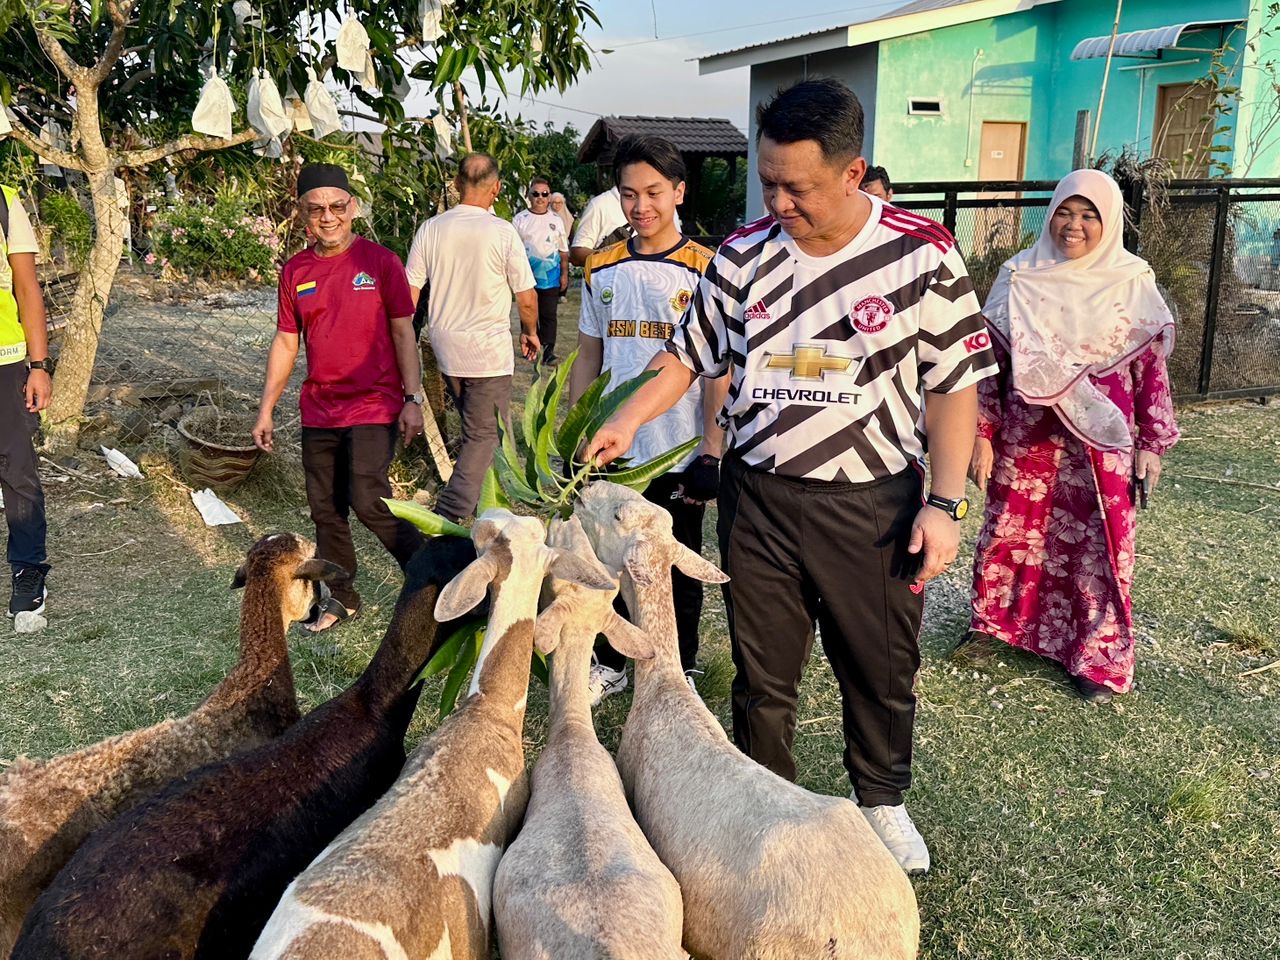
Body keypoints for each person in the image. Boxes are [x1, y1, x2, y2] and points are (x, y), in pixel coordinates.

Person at [584, 78, 997, 876]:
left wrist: (944, 504)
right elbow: (686, 358)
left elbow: (953, 386)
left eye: (797, 187)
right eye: (768, 182)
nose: (778, 201)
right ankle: (764, 801)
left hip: (873, 504)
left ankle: (880, 799)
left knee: (878, 666)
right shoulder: (742, 256)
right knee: (761, 672)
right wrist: (627, 419)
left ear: (852, 172)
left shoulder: (922, 254)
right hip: (760, 499)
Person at [966, 169, 1179, 705]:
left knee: (1099, 546)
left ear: (1109, 223)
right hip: (1027, 436)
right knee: (1013, 530)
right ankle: (999, 626)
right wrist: (982, 433)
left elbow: (1151, 371)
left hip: (1101, 440)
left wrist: (1152, 443)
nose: (1073, 225)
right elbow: (988, 365)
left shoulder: (1131, 281)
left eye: (1089, 215)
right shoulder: (1019, 277)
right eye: (1064, 211)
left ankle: (1096, 657)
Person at [569, 134, 728, 705]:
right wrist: (576, 431)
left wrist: (711, 451)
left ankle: (680, 668)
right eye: (629, 193)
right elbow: (589, 355)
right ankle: (612, 661)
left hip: (678, 447)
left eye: (654, 192)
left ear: (679, 192)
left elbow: (717, 369)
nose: (641, 206)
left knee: (676, 561)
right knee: (609, 560)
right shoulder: (601, 267)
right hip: (613, 449)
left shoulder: (707, 268)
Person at [253, 163, 426, 633]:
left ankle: (431, 578)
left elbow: (403, 332)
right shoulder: (296, 271)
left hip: (374, 402)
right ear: (302, 214)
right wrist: (266, 408)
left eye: (336, 206)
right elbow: (286, 341)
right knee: (325, 508)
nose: (327, 217)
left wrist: (413, 398)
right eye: (316, 209)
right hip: (320, 409)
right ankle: (343, 596)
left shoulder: (381, 263)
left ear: (353, 207)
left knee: (368, 498)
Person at [404, 153, 539, 522]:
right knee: (485, 437)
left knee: (478, 432)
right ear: (497, 188)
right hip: (487, 352)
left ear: (456, 184)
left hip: (447, 348)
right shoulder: (502, 231)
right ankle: (447, 517)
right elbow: (526, 297)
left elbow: (409, 292)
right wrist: (529, 332)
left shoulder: (431, 229)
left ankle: (490, 513)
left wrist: (401, 339)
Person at [0, 185, 53, 619]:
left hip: (5, 361)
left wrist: (39, 365)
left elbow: (26, 285)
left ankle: (28, 568)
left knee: (16, 470)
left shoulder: (5, 202)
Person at [512, 176, 570, 364]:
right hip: (527, 277)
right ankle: (530, 343)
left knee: (549, 314)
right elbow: (513, 250)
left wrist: (564, 274)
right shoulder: (520, 219)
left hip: (551, 277)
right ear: (529, 196)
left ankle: (548, 351)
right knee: (528, 313)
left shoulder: (556, 220)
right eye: (536, 194)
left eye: (544, 194)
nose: (540, 198)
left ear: (549, 196)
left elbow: (563, 251)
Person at [570, 180, 682, 267]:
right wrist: (612, 259)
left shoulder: (666, 205)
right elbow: (576, 254)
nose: (641, 208)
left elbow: (677, 247)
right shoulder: (601, 204)